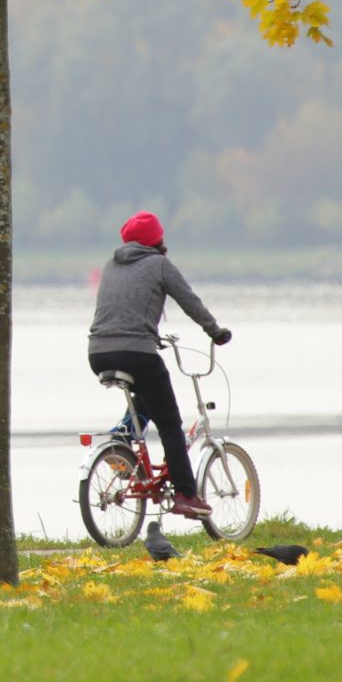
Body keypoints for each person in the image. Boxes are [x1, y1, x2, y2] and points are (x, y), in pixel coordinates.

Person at [88, 210, 230, 522]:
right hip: (136, 352)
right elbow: (190, 301)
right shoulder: (159, 264)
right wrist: (215, 331)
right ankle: (185, 494)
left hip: (98, 352)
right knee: (169, 421)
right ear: (158, 239)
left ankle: (123, 437)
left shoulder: (111, 264)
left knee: (149, 395)